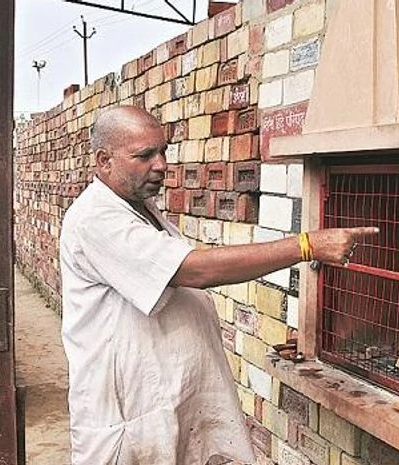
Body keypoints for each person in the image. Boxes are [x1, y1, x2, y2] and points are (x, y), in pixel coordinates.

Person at [59, 105, 376, 465]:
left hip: (162, 406)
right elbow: (192, 270)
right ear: (104, 160)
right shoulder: (95, 219)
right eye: (145, 155)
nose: (161, 164)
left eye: (163, 151)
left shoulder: (138, 207)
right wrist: (306, 245)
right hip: (128, 419)